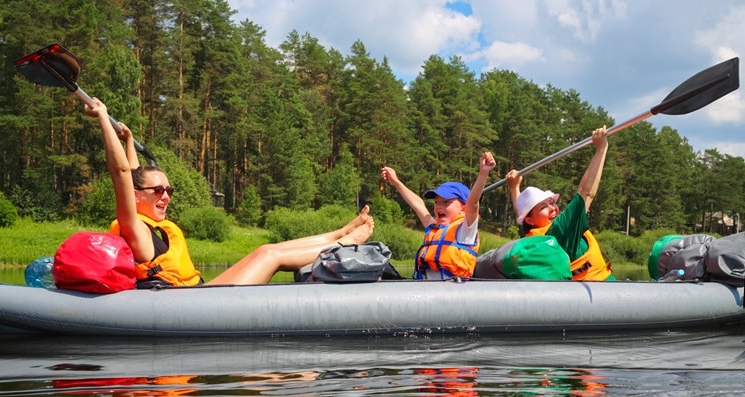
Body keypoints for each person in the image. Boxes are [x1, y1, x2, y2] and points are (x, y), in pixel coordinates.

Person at [85, 97, 374, 287]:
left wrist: (130, 139)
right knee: (269, 256)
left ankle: (339, 234)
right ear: (136, 196)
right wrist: (103, 119)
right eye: (158, 190)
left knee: (267, 249)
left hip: (197, 293)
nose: (166, 196)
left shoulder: (151, 220)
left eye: (169, 189)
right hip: (187, 305)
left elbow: (135, 176)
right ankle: (344, 244)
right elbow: (123, 175)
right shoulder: (133, 227)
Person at [505, 126, 614, 281]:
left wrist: (514, 187)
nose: (553, 209)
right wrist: (601, 149)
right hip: (602, 288)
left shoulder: (532, 239)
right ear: (530, 219)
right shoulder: (559, 230)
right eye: (544, 207)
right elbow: (586, 192)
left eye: (552, 203)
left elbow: (521, 214)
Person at [380, 152, 496, 279]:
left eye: (446, 202)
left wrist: (483, 173)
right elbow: (417, 204)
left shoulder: (466, 230)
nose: (439, 206)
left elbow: (473, 203)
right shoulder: (434, 227)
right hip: (430, 290)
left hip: (455, 289)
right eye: (436, 202)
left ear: (463, 207)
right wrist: (396, 182)